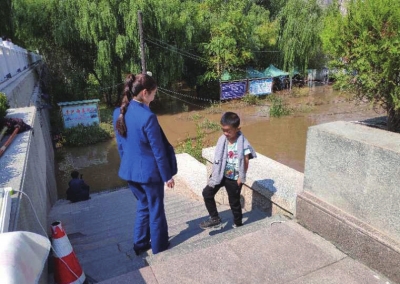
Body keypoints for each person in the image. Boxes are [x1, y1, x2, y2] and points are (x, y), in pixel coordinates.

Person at [115, 73, 177, 255]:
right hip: (149, 174)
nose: (155, 97)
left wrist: (128, 166)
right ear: (144, 93)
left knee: (143, 205)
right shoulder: (148, 117)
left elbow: (121, 145)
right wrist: (167, 176)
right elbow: (158, 151)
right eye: (154, 93)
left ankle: (140, 244)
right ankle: (159, 246)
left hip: (130, 172)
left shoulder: (119, 112)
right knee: (156, 209)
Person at [200, 112, 256, 229]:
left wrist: (241, 178)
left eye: (228, 131)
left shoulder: (243, 143)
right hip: (220, 174)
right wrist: (214, 174)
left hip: (234, 178)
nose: (225, 133)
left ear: (237, 129)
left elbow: (246, 161)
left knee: (234, 203)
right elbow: (219, 158)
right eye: (223, 130)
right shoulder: (222, 140)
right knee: (207, 193)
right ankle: (215, 218)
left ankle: (238, 224)